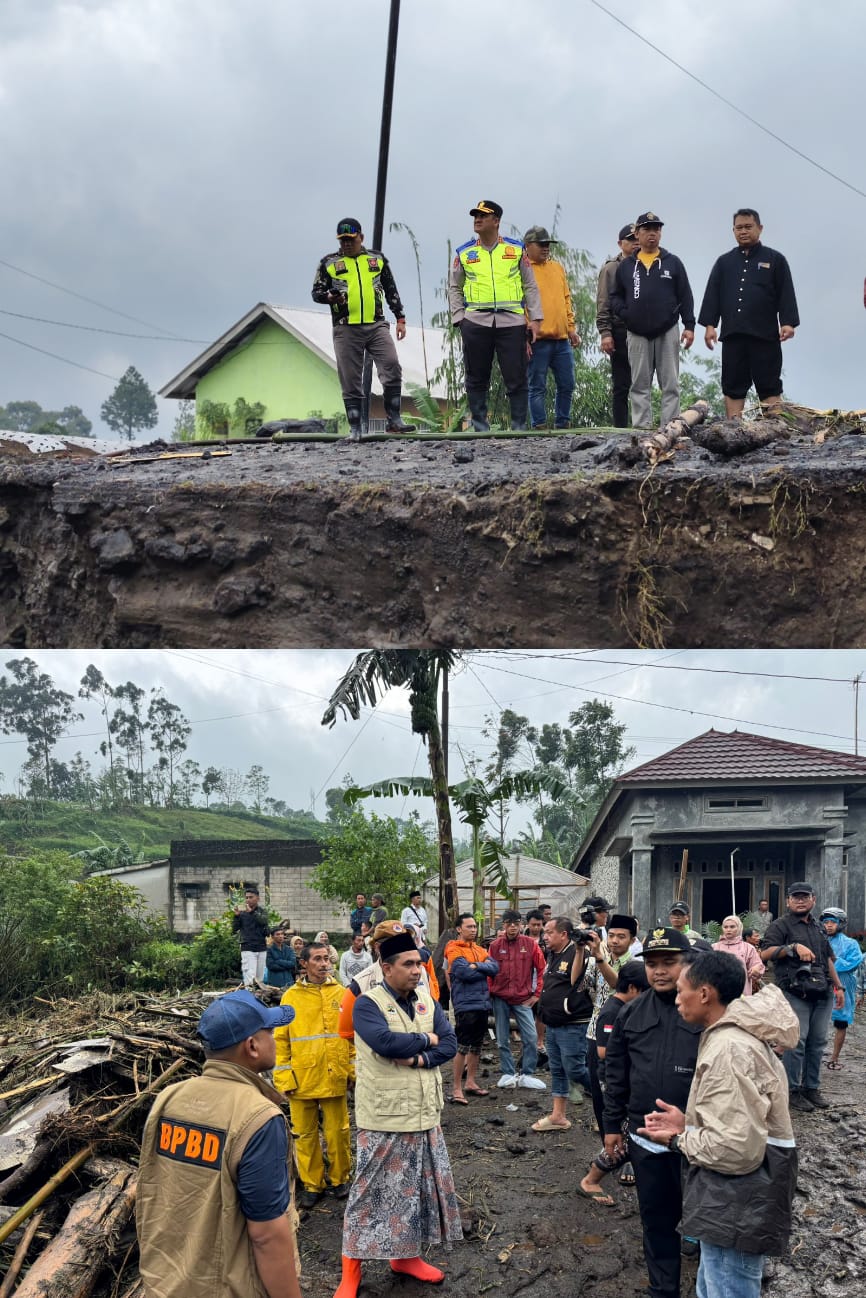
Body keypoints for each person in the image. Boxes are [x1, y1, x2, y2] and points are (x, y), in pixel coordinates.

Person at [640, 953, 799, 1298]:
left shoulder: (728, 1048)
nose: (677, 997)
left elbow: (737, 1148)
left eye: (682, 989)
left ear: (705, 994)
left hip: (738, 1198)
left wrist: (679, 1139)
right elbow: (742, 1118)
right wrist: (692, 1121)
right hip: (735, 1198)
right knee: (713, 1282)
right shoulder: (729, 1035)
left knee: (728, 1285)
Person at [137, 989, 301, 1298]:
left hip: (166, 1281)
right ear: (252, 1046)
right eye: (270, 1032)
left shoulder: (169, 1098)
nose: (275, 1039)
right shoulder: (258, 1117)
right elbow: (266, 1234)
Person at [334, 932, 462, 1298]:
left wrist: (420, 1056)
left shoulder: (426, 999)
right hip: (385, 1117)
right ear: (386, 968)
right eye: (408, 964)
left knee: (414, 1193)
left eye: (420, 963)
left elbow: (450, 1043)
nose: (417, 971)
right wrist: (429, 1041)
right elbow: (386, 1043)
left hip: (423, 1113)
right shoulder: (366, 1003)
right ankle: (351, 1270)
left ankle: (405, 1257)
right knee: (368, 1194)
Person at [603, 927, 703, 1298]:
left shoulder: (703, 1010)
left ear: (688, 963)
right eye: (653, 964)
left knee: (706, 1217)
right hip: (648, 1138)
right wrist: (613, 1125)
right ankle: (664, 1289)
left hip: (700, 1137)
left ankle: (708, 1279)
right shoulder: (632, 1013)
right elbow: (615, 1072)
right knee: (657, 1219)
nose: (660, 972)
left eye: (669, 963)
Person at [311, 218, 413, 439]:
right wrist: (329, 297)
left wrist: (400, 317)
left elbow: (390, 288)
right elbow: (316, 292)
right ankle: (356, 428)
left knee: (391, 365)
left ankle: (394, 419)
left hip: (376, 324)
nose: (347, 244)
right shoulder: (329, 263)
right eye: (343, 240)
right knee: (350, 377)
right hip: (346, 327)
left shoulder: (376, 260)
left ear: (361, 238)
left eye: (351, 239)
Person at [448, 199, 543, 431]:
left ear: (496, 221)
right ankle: (480, 427)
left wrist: (536, 319)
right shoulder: (464, 252)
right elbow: (454, 286)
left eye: (483, 215)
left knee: (516, 375)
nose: (477, 220)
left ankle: (519, 426)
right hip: (475, 322)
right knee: (476, 376)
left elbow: (530, 285)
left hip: (512, 322)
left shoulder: (515, 249)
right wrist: (459, 316)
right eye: (475, 216)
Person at [274, 942, 354, 1208]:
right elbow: (280, 1041)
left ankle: (341, 1178)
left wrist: (352, 1071)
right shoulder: (291, 998)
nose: (323, 964)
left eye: (326, 959)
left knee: (338, 1132)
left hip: (334, 1076)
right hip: (301, 1080)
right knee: (304, 1136)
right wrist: (284, 1079)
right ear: (304, 964)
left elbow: (351, 1037)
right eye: (317, 959)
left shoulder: (342, 994)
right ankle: (312, 1184)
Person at [698, 209, 799, 418]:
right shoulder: (723, 263)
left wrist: (788, 323)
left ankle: (774, 428)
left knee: (769, 384)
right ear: (733, 231)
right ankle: (733, 428)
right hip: (733, 334)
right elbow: (713, 294)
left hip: (765, 335)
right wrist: (710, 326)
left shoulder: (775, 259)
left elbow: (786, 293)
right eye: (739, 228)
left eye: (748, 227)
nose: (743, 231)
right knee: (733, 384)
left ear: (759, 229)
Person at [760, 881, 846, 1111]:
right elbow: (764, 953)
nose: (800, 900)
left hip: (823, 991)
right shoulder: (781, 926)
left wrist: (839, 988)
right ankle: (792, 1090)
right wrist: (792, 948)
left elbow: (828, 959)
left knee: (818, 1042)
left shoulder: (818, 927)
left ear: (813, 900)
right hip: (794, 991)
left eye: (804, 897)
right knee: (796, 1041)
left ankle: (811, 1088)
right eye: (795, 897)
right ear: (788, 901)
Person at [610, 211, 695, 429]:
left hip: (667, 330)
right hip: (636, 332)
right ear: (637, 234)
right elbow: (615, 296)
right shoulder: (627, 266)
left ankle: (671, 427)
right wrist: (626, 313)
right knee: (639, 383)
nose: (652, 233)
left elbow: (685, 295)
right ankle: (642, 427)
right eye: (647, 229)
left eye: (656, 229)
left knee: (671, 383)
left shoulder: (673, 262)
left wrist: (689, 326)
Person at [578, 959, 649, 1206]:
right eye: (645, 991)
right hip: (612, 1079)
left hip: (620, 1078)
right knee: (625, 1131)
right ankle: (592, 1178)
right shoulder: (612, 1011)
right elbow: (603, 1051)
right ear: (633, 989)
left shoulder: (622, 1008)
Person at [532, 916, 593, 1131]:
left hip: (572, 1022)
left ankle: (608, 1103)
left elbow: (577, 980)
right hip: (553, 1022)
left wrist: (579, 949)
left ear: (563, 934)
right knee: (557, 1070)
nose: (545, 936)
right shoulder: (552, 953)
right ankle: (558, 1115)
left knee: (575, 1069)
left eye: (549, 932)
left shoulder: (579, 952)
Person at [338, 920, 438, 1039]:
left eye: (404, 941)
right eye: (394, 943)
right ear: (377, 947)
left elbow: (435, 1015)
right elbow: (348, 1032)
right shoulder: (360, 984)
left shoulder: (422, 974)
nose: (402, 947)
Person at [585, 915, 638, 1136]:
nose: (615, 941)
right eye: (612, 935)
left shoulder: (635, 966)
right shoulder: (597, 958)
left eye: (621, 937)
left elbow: (617, 984)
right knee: (597, 1093)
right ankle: (606, 1144)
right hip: (594, 1031)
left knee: (618, 1091)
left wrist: (599, 958)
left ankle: (624, 1144)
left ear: (632, 940)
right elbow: (581, 984)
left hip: (621, 1036)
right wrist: (581, 951)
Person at [523, 224, 580, 429]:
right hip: (538, 340)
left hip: (562, 339)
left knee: (567, 384)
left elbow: (566, 299)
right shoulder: (522, 269)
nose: (546, 248)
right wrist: (524, 335)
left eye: (547, 244)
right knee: (537, 386)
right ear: (528, 245)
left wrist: (571, 328)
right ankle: (539, 425)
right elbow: (518, 304)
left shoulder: (557, 268)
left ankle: (562, 422)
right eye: (541, 244)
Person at [487, 908, 548, 1090]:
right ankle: (508, 1072)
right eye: (509, 924)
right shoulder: (495, 946)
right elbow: (489, 971)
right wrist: (491, 992)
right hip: (500, 998)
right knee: (502, 1038)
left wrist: (536, 994)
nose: (513, 927)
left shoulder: (530, 944)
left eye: (516, 923)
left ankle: (527, 1074)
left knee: (530, 1037)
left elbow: (542, 969)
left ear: (521, 925)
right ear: (504, 925)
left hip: (523, 998)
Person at [444, 913, 499, 1102]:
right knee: (462, 1046)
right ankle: (456, 1088)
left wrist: (476, 966)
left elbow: (496, 969)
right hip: (465, 1004)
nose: (473, 930)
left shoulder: (479, 949)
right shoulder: (453, 949)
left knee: (476, 1045)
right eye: (469, 927)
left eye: (475, 927)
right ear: (459, 929)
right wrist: (482, 968)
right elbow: (462, 972)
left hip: (482, 1003)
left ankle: (471, 1082)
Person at [596, 224, 640, 426]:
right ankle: (621, 427)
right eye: (630, 239)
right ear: (620, 243)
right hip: (619, 330)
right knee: (621, 384)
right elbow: (603, 302)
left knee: (644, 381)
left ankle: (643, 425)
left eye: (636, 238)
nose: (635, 243)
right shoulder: (611, 268)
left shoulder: (648, 263)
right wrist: (605, 333)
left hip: (643, 330)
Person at [819, 907, 864, 1070]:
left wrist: (830, 963)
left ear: (841, 924)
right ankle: (816, 1052)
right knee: (817, 1019)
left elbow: (853, 963)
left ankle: (834, 1057)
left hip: (843, 985)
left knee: (841, 1021)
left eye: (833, 922)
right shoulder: (819, 940)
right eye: (826, 922)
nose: (829, 925)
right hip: (821, 983)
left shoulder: (850, 943)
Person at [711, 914, 765, 994]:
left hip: (741, 993)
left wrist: (756, 969)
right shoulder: (714, 947)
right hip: (718, 994)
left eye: (732, 927)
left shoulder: (748, 948)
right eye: (725, 927)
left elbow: (758, 965)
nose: (728, 930)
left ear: (739, 928)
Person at [232, 887, 270, 986]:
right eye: (246, 897)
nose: (248, 900)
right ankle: (250, 995)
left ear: (257, 898)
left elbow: (264, 921)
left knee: (260, 977)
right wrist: (236, 916)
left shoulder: (262, 911)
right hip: (247, 947)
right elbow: (234, 929)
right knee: (250, 975)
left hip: (261, 946)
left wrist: (252, 912)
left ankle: (260, 997)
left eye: (251, 897)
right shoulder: (242, 913)